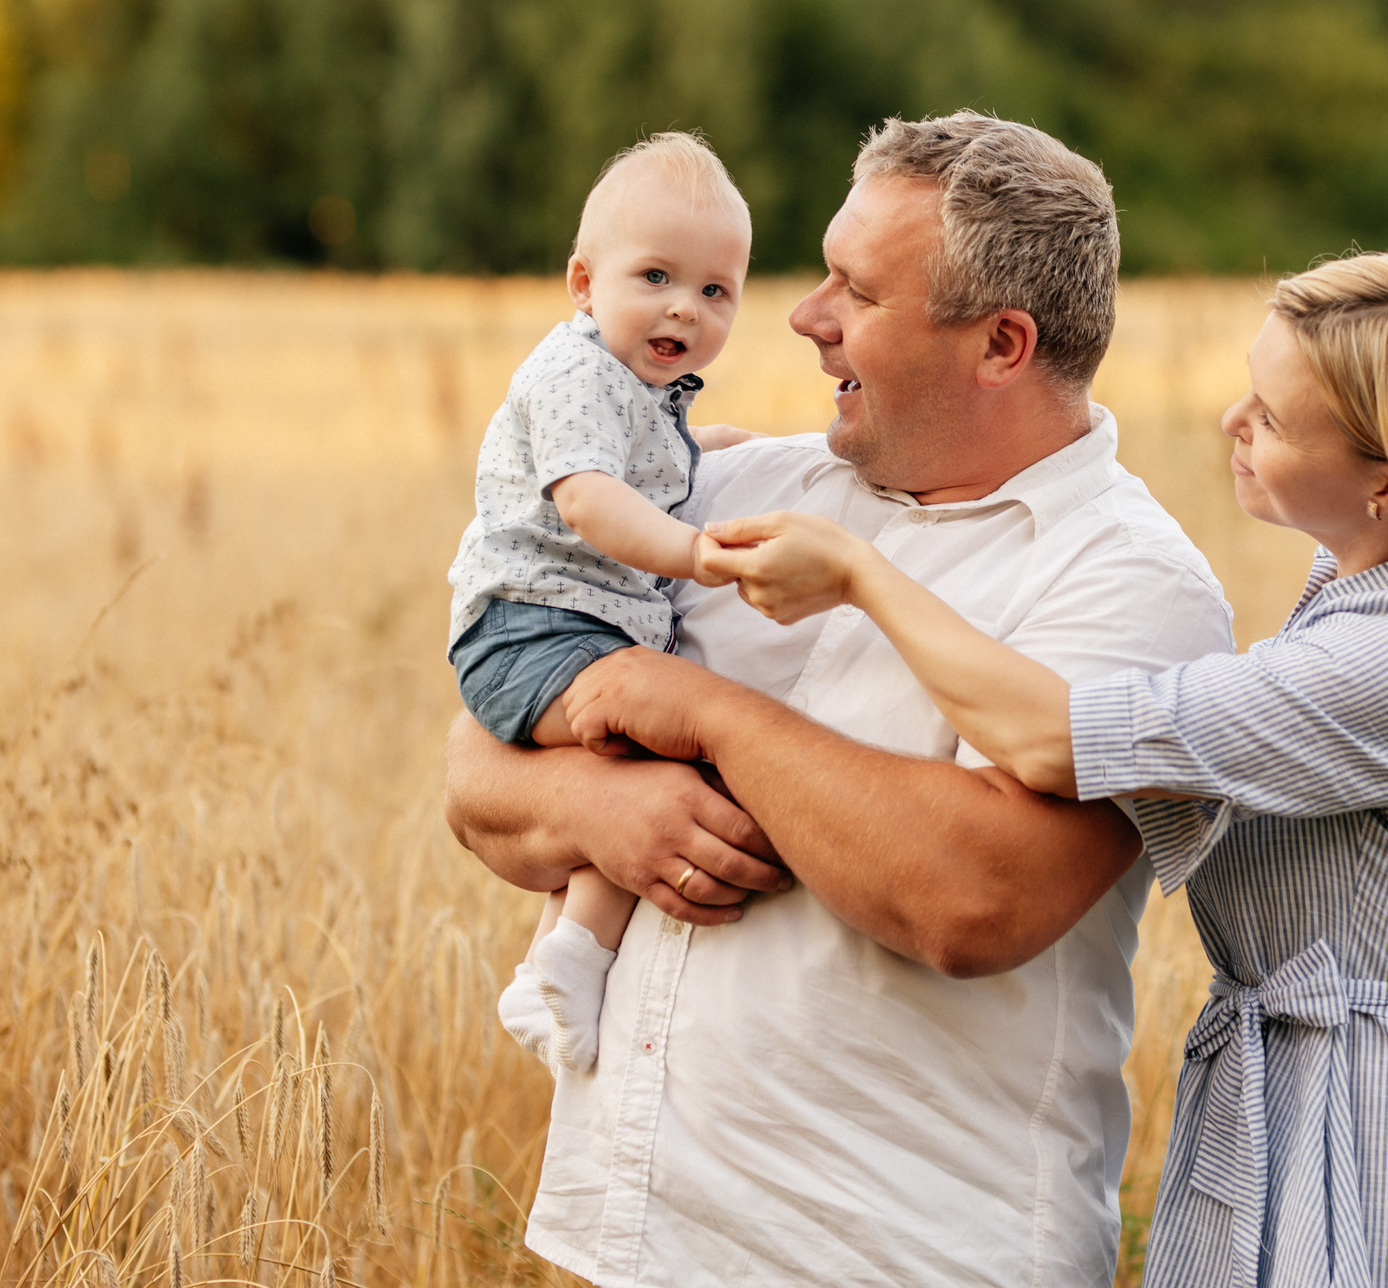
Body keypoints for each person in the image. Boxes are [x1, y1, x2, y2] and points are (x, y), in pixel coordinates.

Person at [583, 244, 1388, 1287]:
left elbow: (1055, 739)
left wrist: (861, 577)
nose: (1232, 422)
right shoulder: (1366, 582)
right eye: (1248, 390)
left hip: (1381, 1134)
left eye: (1273, 420)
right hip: (1279, 1091)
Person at [443, 112, 1235, 1288]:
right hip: (636, 1241)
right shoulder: (736, 481)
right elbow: (479, 760)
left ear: (1002, 344)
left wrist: (702, 717)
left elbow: (974, 899)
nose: (806, 317)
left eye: (855, 291)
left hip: (902, 1252)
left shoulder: (1132, 587)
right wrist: (605, 814)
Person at [443, 133, 755, 1075]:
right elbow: (590, 495)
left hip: (566, 626)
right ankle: (575, 956)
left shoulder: (647, 387)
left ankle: (553, 965)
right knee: (659, 737)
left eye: (713, 290)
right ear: (583, 282)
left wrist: (759, 456)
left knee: (634, 771)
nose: (683, 308)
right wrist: (694, 553)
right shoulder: (578, 371)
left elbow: (670, 465)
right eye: (655, 275)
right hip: (531, 627)